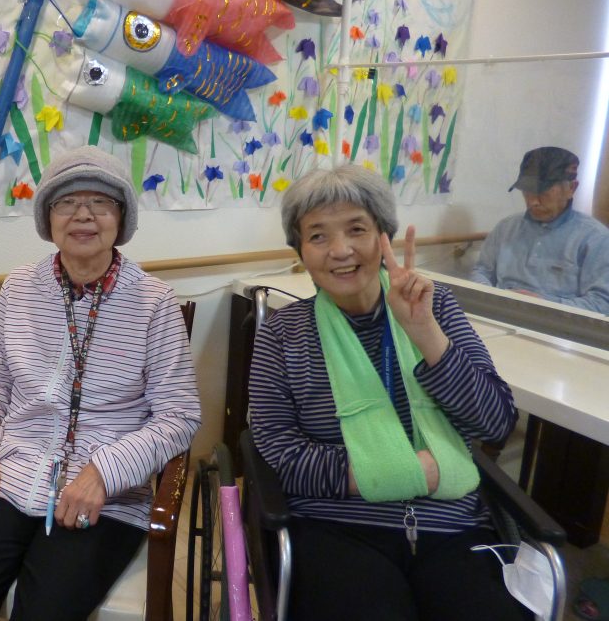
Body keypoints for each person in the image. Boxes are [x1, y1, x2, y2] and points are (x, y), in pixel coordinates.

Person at [0, 145, 200, 621]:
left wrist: (103, 472)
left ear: (122, 217)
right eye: (67, 202)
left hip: (107, 496)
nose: (83, 215)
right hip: (10, 477)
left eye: (100, 202)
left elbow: (179, 416)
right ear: (48, 216)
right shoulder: (19, 288)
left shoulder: (154, 302)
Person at [249, 164, 531, 620]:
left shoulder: (435, 307)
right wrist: (406, 473)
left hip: (452, 525)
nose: (340, 250)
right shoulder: (282, 334)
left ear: (384, 237)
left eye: (356, 229)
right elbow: (281, 456)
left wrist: (424, 333)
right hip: (336, 525)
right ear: (300, 250)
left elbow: (495, 423)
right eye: (318, 236)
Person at [471, 146, 609, 314]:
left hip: (556, 324)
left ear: (571, 188)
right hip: (498, 314)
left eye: (543, 193)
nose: (533, 202)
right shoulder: (506, 228)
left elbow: (602, 304)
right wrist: (489, 295)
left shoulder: (596, 239)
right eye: (527, 192)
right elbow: (482, 271)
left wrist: (542, 304)